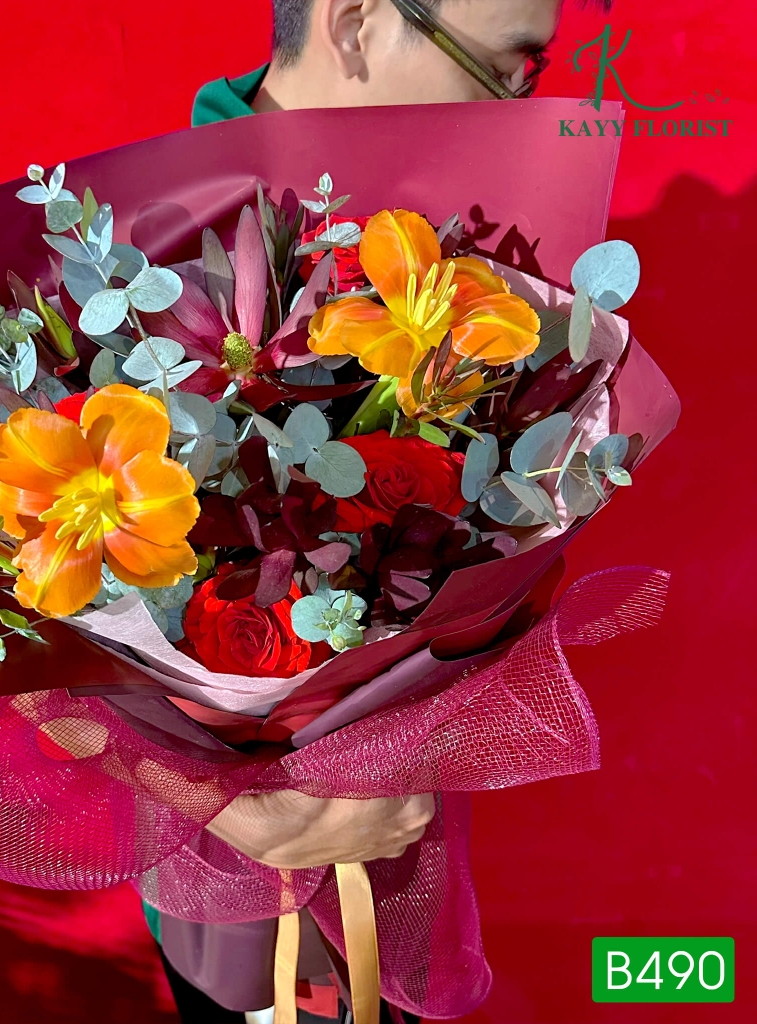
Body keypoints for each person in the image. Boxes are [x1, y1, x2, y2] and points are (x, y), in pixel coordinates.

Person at [157, 3, 608, 1021]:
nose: (516, 110)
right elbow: (16, 643)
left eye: (529, 76)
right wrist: (216, 799)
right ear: (358, 22)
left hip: (400, 863)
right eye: (502, 67)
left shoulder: (466, 249)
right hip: (226, 911)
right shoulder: (149, 242)